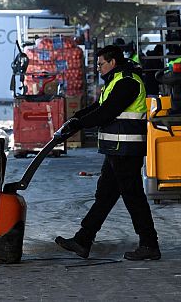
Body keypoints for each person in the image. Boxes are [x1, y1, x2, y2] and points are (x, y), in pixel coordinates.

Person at [55, 44, 160, 261]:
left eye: (101, 64)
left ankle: (149, 244)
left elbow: (107, 112)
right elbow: (98, 107)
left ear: (113, 62)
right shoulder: (115, 81)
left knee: (133, 198)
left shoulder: (128, 82)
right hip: (116, 150)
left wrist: (78, 125)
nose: (99, 68)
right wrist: (76, 118)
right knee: (105, 196)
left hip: (126, 150)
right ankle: (83, 240)